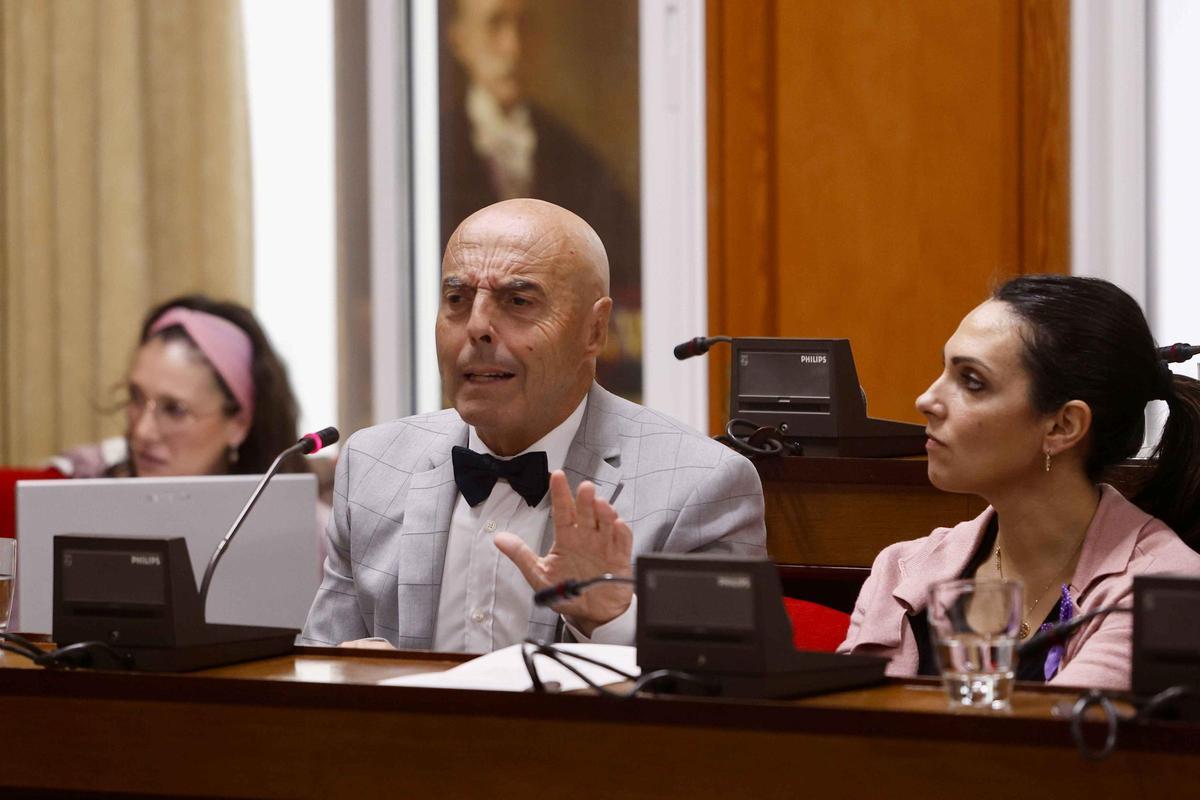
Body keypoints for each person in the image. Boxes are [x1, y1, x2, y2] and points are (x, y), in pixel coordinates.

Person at [300, 199, 766, 652]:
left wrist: (607, 619)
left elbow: (719, 699)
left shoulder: (699, 485)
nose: (477, 326)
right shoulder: (374, 465)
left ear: (594, 330)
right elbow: (315, 668)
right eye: (457, 299)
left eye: (518, 301)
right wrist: (351, 673)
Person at [838, 275, 1200, 690]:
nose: (926, 400)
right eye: (944, 371)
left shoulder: (1162, 589)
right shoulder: (901, 570)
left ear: (1063, 426)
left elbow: (1042, 749)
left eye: (972, 381)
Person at [440, 0, 642, 394]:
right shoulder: (432, 151)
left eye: (524, 28)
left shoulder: (574, 155)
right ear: (460, 39)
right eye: (495, 26)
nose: (512, 47)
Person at [53, 295, 311, 480]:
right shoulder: (85, 493)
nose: (142, 432)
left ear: (238, 423)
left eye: (175, 410)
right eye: (136, 398)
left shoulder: (311, 535)